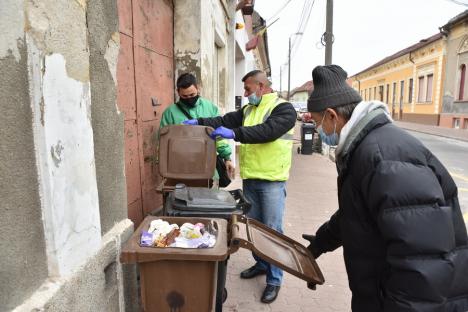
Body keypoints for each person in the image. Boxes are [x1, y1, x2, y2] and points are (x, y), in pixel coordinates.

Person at [303, 65, 468, 311]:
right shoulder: (364, 148)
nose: (318, 132)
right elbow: (360, 211)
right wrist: (321, 242)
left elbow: (421, 262)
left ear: (332, 116)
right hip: (381, 293)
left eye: (317, 124)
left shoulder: (382, 157)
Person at [183, 70, 297, 303]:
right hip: (252, 178)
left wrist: (234, 134)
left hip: (272, 180)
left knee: (273, 231)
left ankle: (275, 280)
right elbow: (224, 120)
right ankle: (262, 264)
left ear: (262, 86)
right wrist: (200, 122)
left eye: (248, 89)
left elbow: (267, 132)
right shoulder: (248, 110)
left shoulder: (283, 108)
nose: (245, 94)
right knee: (253, 227)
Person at [160, 73, 235, 181]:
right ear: (178, 92)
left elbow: (219, 136)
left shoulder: (210, 108)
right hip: (179, 167)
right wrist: (163, 167)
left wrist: (227, 157)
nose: (189, 98)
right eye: (184, 96)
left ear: (198, 88)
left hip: (207, 166)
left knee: (208, 197)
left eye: (192, 95)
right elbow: (163, 142)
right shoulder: (170, 113)